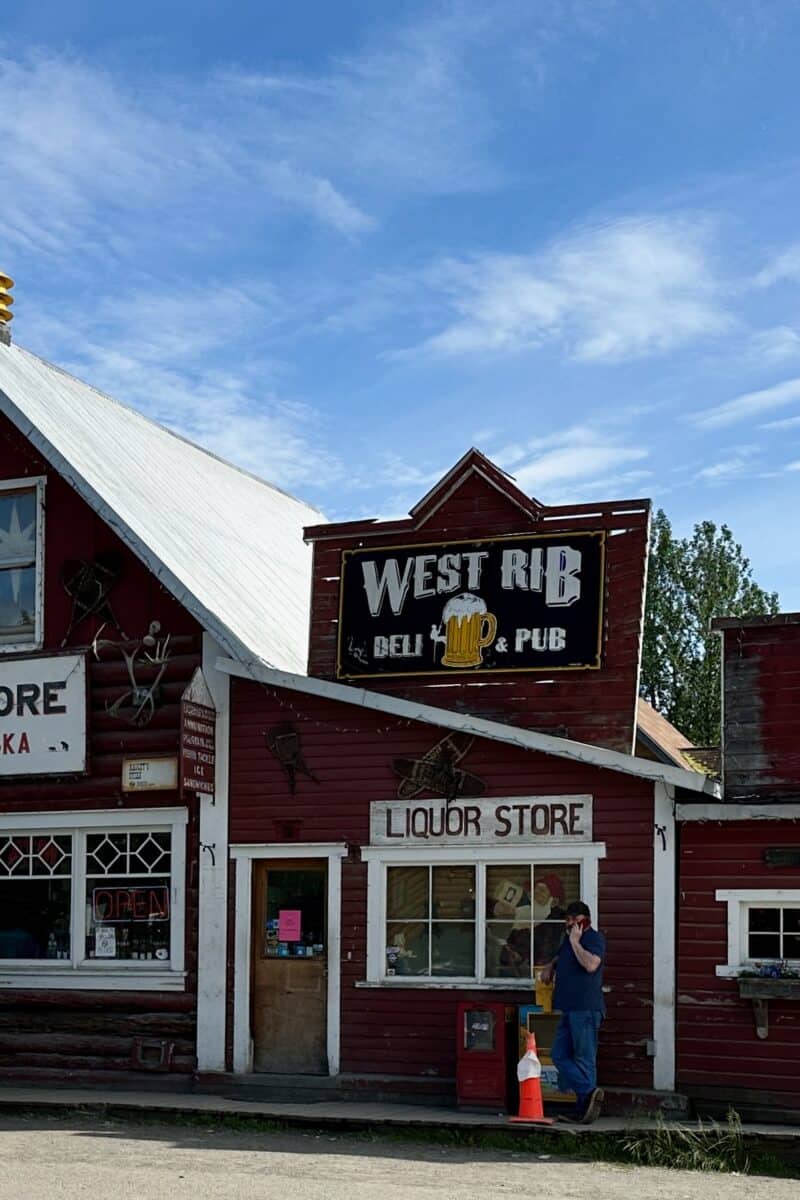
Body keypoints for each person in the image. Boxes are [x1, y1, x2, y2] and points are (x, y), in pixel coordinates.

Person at [540, 899, 605, 1124]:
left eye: (571, 920)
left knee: (584, 1058)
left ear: (582, 921)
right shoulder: (568, 941)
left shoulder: (593, 939)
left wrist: (576, 942)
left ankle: (584, 1107)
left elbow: (591, 965)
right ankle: (588, 1093)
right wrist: (551, 965)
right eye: (566, 920)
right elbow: (562, 956)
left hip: (585, 1008)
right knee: (559, 1054)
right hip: (567, 1008)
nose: (567, 924)